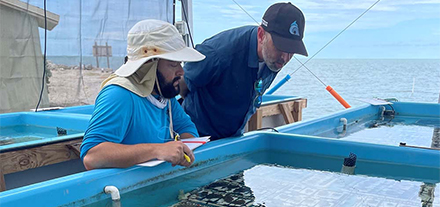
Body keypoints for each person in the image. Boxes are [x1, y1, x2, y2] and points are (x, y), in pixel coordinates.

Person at [80, 19, 205, 170]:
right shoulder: (119, 94)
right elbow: (92, 156)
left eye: (180, 63)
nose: (181, 71)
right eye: (173, 64)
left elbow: (186, 128)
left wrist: (182, 151)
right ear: (149, 65)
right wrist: (157, 150)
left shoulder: (164, 95)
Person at [179, 2, 308, 140]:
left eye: (291, 51)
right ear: (261, 35)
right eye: (280, 47)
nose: (285, 58)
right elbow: (181, 83)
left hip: (233, 137)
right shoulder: (219, 52)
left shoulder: (275, 59)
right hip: (196, 138)